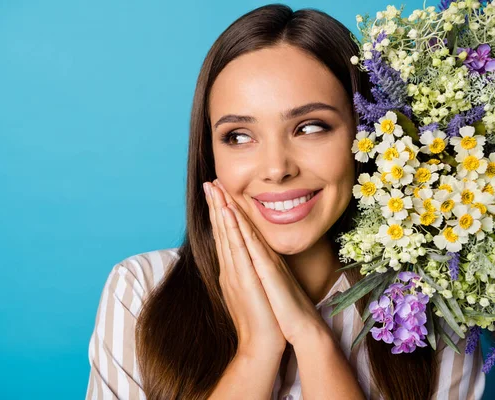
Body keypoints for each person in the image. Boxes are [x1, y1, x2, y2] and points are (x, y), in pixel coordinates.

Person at [85, 4, 486, 399]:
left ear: (367, 137)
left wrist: (314, 342)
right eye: (239, 136)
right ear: (211, 155)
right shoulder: (142, 291)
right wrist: (257, 349)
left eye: (310, 127)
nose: (276, 168)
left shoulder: (430, 312)